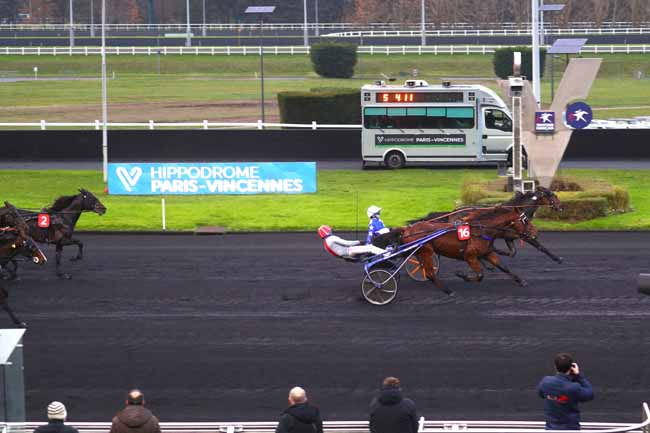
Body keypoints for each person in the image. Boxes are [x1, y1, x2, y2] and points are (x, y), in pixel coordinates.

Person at [537, 353, 594, 430]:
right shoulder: (574, 387)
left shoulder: (545, 381)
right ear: (570, 368)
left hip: (551, 429)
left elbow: (541, 394)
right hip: (571, 429)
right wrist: (578, 376)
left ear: (555, 366)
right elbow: (590, 394)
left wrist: (554, 397)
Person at [318, 225, 387, 259]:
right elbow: (347, 243)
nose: (330, 230)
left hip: (347, 254)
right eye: (329, 230)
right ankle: (386, 253)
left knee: (368, 248)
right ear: (327, 231)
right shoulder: (332, 238)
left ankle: (383, 253)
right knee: (370, 248)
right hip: (350, 251)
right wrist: (359, 242)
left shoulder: (326, 243)